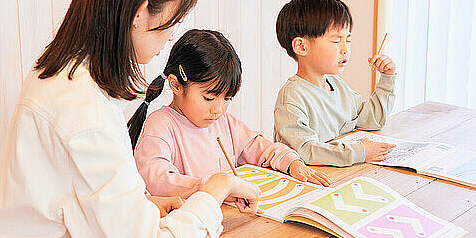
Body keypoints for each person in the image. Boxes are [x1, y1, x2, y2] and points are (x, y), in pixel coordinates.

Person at [0, 0, 260, 238]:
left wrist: (146, 205)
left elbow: (74, 193)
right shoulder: (82, 108)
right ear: (141, 14)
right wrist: (215, 191)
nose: (170, 36)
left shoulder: (67, 73)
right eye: (171, 22)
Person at [130, 29, 331, 198]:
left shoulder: (223, 122)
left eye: (227, 99)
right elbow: (155, 179)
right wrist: (214, 187)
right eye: (209, 98)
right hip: (191, 228)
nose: (218, 110)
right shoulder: (161, 124)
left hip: (229, 222)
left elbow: (260, 148)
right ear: (175, 85)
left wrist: (291, 162)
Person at [273, 0, 397, 167]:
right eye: (336, 41)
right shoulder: (292, 97)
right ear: (301, 46)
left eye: (348, 40)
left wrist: (387, 78)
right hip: (311, 186)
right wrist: (360, 152)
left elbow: (372, 120)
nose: (345, 49)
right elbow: (306, 152)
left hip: (341, 176)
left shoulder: (337, 85)